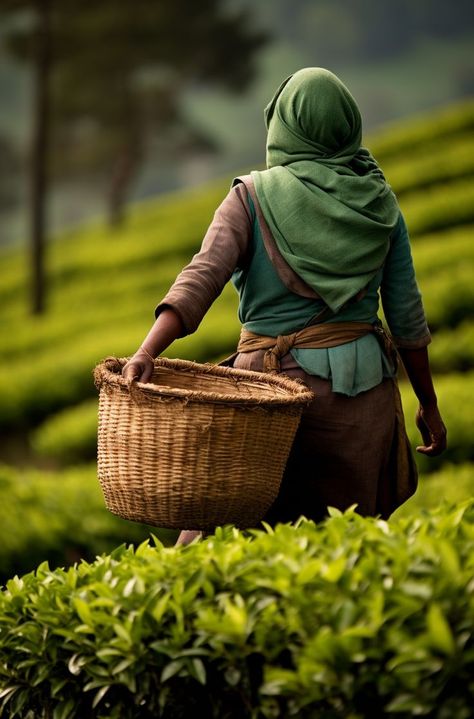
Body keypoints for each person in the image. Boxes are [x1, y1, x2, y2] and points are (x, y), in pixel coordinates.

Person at [122, 67, 447, 545]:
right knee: (346, 552)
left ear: (283, 126)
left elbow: (201, 278)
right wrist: (430, 403)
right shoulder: (379, 203)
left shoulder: (249, 198)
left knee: (228, 545)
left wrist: (147, 352)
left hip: (270, 398)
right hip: (365, 398)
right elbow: (407, 319)